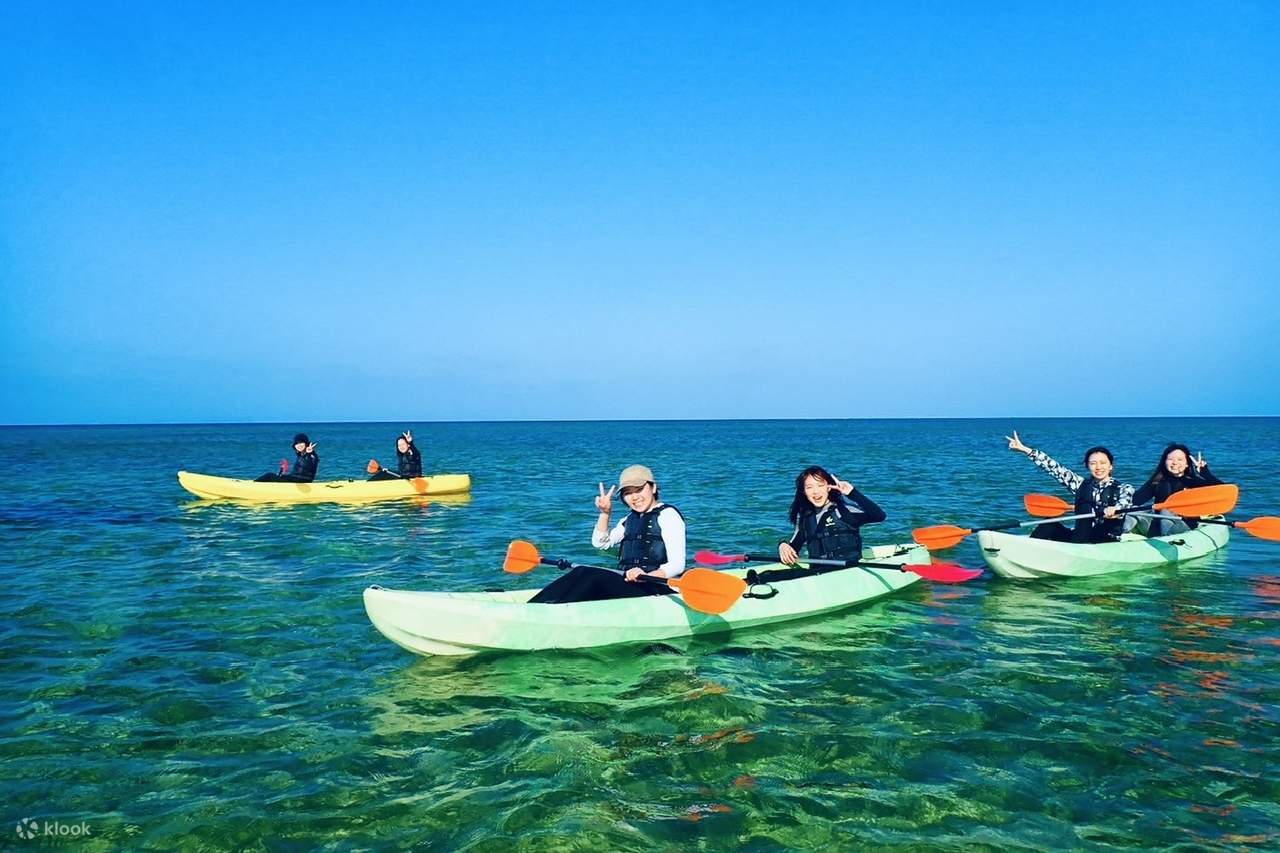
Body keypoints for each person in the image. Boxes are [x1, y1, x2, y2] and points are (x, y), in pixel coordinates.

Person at [529, 464, 686, 604]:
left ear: (653, 488)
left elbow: (677, 565)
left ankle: (547, 610)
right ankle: (535, 606)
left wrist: (648, 575)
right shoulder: (629, 519)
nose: (634, 497)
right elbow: (601, 543)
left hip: (658, 589)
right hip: (634, 585)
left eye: (638, 489)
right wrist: (605, 513)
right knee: (580, 571)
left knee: (591, 575)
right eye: (627, 493)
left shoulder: (668, 515)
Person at [761, 466, 887, 582]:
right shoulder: (806, 518)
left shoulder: (844, 511)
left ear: (828, 487)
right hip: (817, 574)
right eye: (809, 487)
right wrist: (783, 544)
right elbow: (794, 549)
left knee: (773, 577)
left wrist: (852, 493)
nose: (816, 492)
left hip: (846, 572)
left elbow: (879, 516)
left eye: (820, 485)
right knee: (767, 574)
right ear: (804, 492)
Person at [1006, 430, 1134, 543]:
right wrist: (1025, 450)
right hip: (1080, 538)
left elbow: (1124, 505)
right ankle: (1030, 553)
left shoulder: (1124, 488)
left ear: (1111, 466)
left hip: (1104, 540)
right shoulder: (1080, 484)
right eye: (1093, 463)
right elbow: (1055, 468)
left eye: (1103, 463)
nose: (1098, 467)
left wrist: (1115, 511)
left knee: (1092, 523)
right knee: (1048, 525)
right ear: (1088, 466)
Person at [1132, 443, 1223, 536]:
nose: (1175, 463)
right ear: (1164, 462)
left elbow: (1222, 491)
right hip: (1157, 525)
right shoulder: (1157, 480)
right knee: (1133, 510)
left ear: (1187, 464)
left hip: (1184, 526)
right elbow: (1136, 500)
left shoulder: (1194, 482)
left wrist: (1205, 473)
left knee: (1166, 510)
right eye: (1170, 459)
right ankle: (1119, 537)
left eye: (1180, 459)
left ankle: (1165, 542)